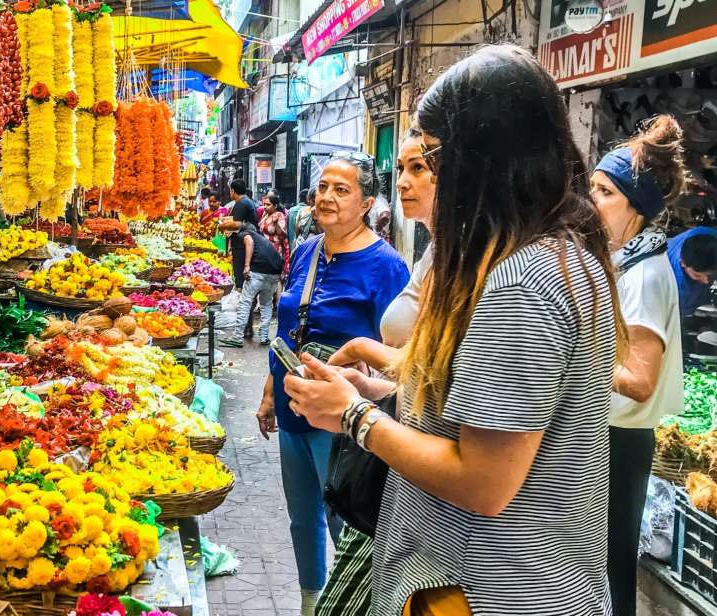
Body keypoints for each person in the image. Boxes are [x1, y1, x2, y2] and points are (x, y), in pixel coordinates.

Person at [284, 45, 623, 616]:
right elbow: (489, 418)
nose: (424, 175)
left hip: (490, 590)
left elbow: (484, 481)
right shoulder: (541, 257)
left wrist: (353, 416)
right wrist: (388, 393)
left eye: (434, 156)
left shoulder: (522, 283)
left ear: (483, 160)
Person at [256, 151, 409, 616]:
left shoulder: (387, 266)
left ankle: (346, 606)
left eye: (341, 190)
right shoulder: (306, 250)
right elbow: (287, 329)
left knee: (342, 516)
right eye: (322, 187)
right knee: (301, 518)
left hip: (343, 419)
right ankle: (309, 603)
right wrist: (268, 389)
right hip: (291, 408)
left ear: (366, 204)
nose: (326, 197)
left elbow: (400, 351)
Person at [311, 129, 436, 616]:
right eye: (402, 168)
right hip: (379, 422)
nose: (405, 181)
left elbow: (484, 474)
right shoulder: (435, 253)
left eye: (419, 168)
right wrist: (371, 387)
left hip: (401, 460)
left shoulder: (504, 272)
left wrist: (359, 411)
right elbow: (430, 372)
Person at [590, 115, 689, 616]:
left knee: (609, 571)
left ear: (635, 207)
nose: (592, 201)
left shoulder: (646, 276)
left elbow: (640, 381)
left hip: (618, 443)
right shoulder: (625, 262)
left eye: (604, 192)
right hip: (604, 439)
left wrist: (577, 356)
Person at [219, 218, 283, 347]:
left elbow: (249, 243)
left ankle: (237, 338)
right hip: (274, 272)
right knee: (266, 304)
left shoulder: (245, 234)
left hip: (258, 271)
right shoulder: (260, 237)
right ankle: (264, 337)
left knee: (245, 302)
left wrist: (247, 266)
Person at [668, 226, 717, 319]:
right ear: (683, 263)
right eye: (697, 275)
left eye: (710, 275)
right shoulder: (677, 283)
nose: (706, 281)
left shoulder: (707, 235)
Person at [260, 193, 290, 272]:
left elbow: (282, 235)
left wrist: (276, 223)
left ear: (275, 206)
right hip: (264, 250)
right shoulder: (265, 215)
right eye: (264, 204)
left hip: (274, 250)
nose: (265, 206)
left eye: (268, 204)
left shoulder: (279, 215)